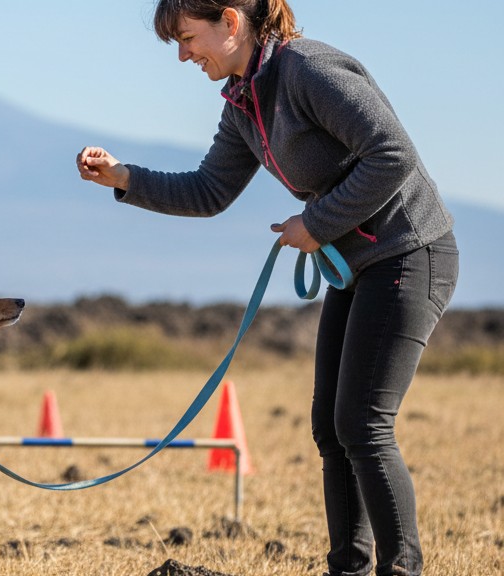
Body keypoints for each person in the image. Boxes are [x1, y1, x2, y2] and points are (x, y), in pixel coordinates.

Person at [76, 1, 458, 575]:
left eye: (187, 37)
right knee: (330, 428)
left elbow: (392, 154)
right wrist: (124, 177)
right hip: (357, 264)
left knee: (362, 424)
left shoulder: (308, 70)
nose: (182, 54)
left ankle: (402, 570)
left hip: (410, 252)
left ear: (231, 22)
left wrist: (317, 222)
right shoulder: (243, 102)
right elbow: (209, 191)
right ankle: (347, 569)